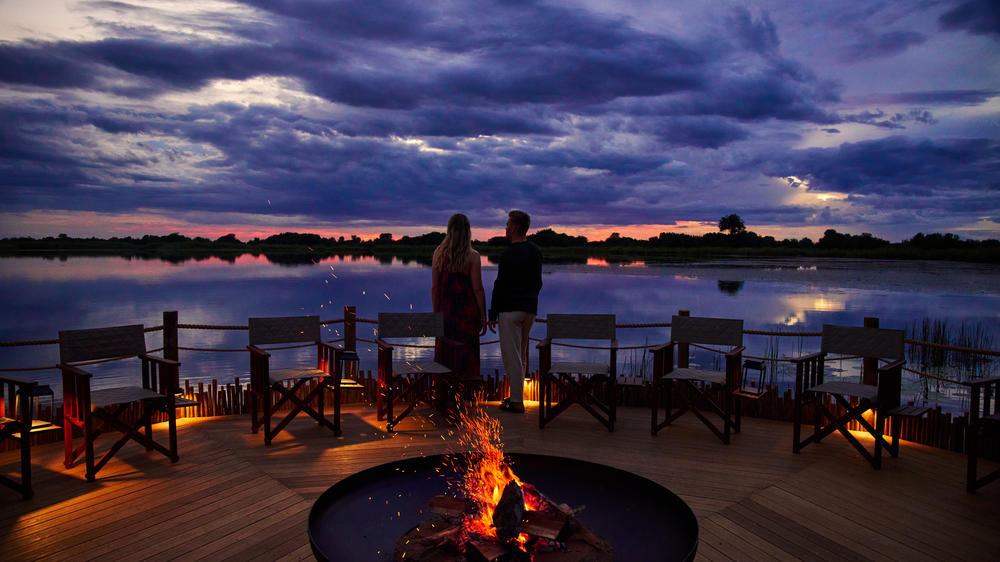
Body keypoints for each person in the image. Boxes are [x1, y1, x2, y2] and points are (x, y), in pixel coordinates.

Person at [488, 210, 543, 413]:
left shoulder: (509, 253)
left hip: (510, 311)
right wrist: (530, 301)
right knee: (521, 354)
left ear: (514, 227)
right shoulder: (535, 251)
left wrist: (492, 313)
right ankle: (515, 396)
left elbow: (500, 285)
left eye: (507, 224)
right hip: (529, 310)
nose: (505, 228)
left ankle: (517, 402)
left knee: (512, 356)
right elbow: (538, 282)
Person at [432, 213, 488, 407]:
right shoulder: (473, 256)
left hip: (445, 314)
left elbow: (435, 287)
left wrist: (436, 314)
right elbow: (477, 289)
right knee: (467, 355)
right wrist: (484, 316)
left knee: (445, 353)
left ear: (449, 230)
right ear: (467, 232)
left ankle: (444, 396)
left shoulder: (439, 253)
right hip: (466, 316)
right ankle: (465, 399)